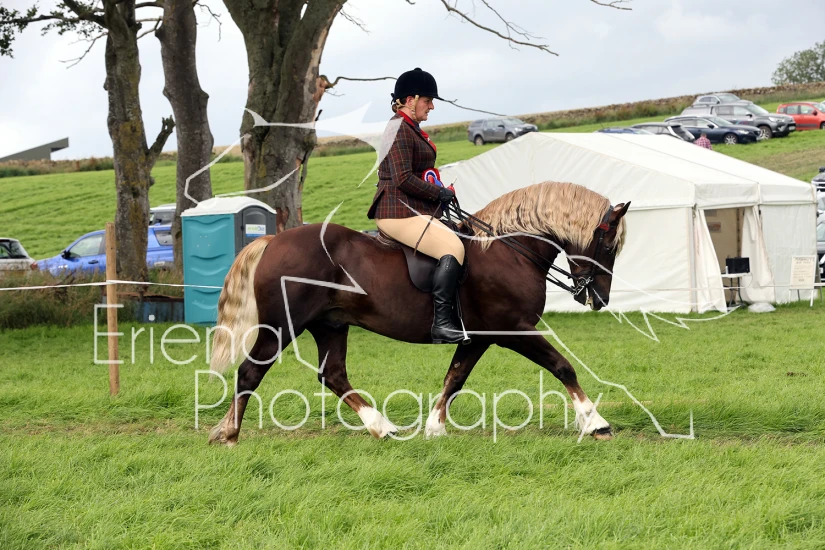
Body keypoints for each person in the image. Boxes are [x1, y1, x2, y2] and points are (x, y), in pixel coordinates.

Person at [367, 68, 468, 344]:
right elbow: (402, 178)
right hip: (396, 211)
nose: (431, 106)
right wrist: (437, 193)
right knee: (453, 248)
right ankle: (442, 324)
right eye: (428, 100)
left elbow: (418, 173)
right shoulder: (398, 128)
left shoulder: (410, 128)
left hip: (411, 208)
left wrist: (439, 192)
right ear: (410, 100)